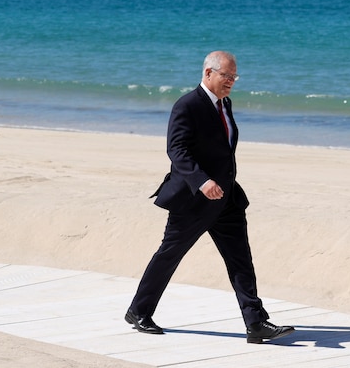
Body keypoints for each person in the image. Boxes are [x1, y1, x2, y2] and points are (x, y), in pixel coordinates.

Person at [125, 50, 295, 344]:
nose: (231, 81)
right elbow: (177, 150)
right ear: (208, 73)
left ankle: (255, 323)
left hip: (227, 199)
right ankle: (139, 311)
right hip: (193, 199)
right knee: (170, 255)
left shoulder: (225, 104)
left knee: (241, 260)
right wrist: (202, 181)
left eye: (234, 76)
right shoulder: (187, 105)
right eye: (226, 75)